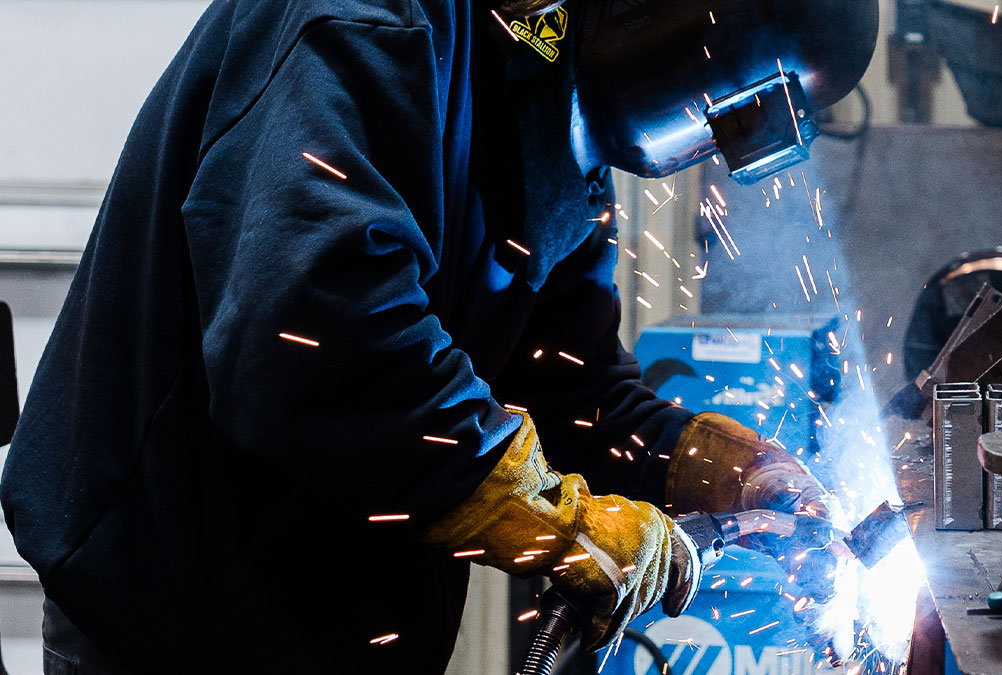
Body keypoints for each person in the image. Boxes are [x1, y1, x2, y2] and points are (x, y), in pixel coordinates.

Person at [0, 0, 829, 672]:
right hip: (177, 615)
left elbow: (561, 384)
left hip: (342, 619)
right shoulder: (365, 20)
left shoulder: (551, 90)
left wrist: (707, 466)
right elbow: (315, 335)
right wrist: (560, 521)